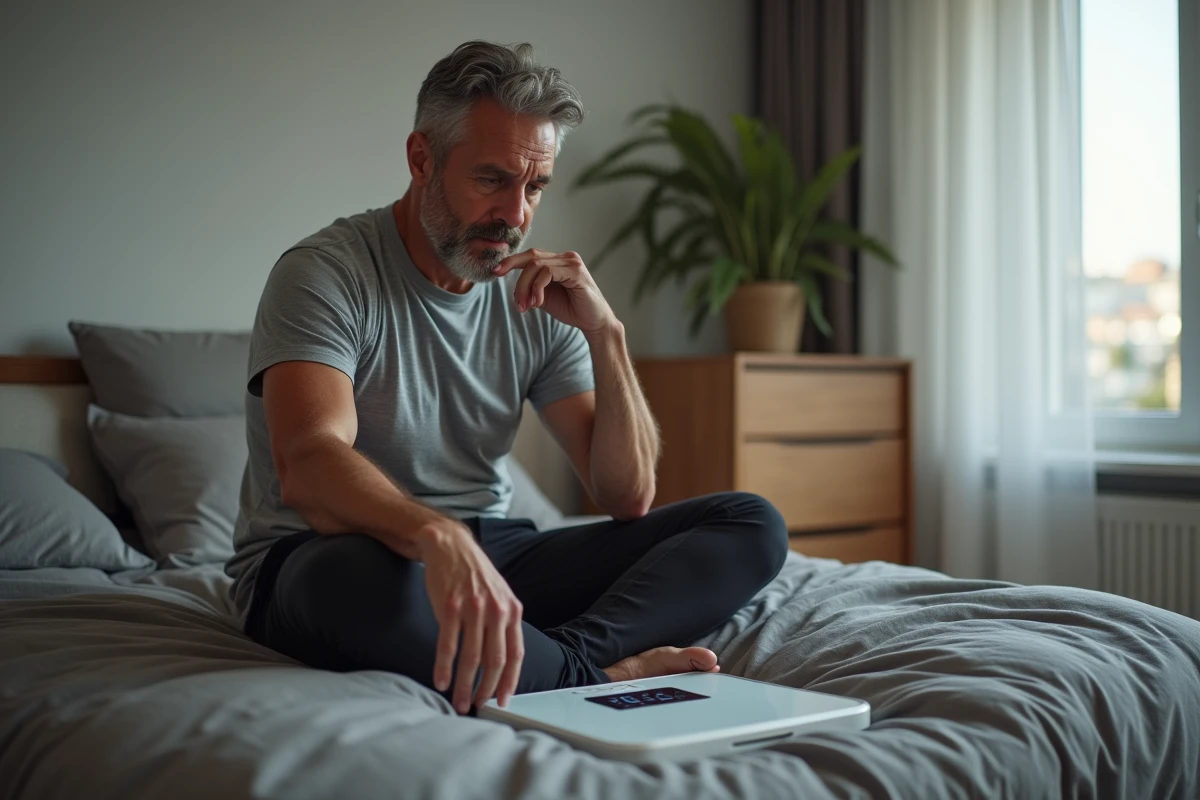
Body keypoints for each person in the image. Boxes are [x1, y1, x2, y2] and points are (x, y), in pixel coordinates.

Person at [226, 40, 788, 716]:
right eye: (492, 179)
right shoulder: (326, 275)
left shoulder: (532, 293)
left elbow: (627, 494)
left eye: (535, 186)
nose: (516, 214)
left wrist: (606, 335)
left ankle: (570, 661)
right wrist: (436, 537)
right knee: (353, 582)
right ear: (421, 159)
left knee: (751, 523)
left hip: (495, 552)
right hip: (329, 554)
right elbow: (310, 463)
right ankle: (588, 672)